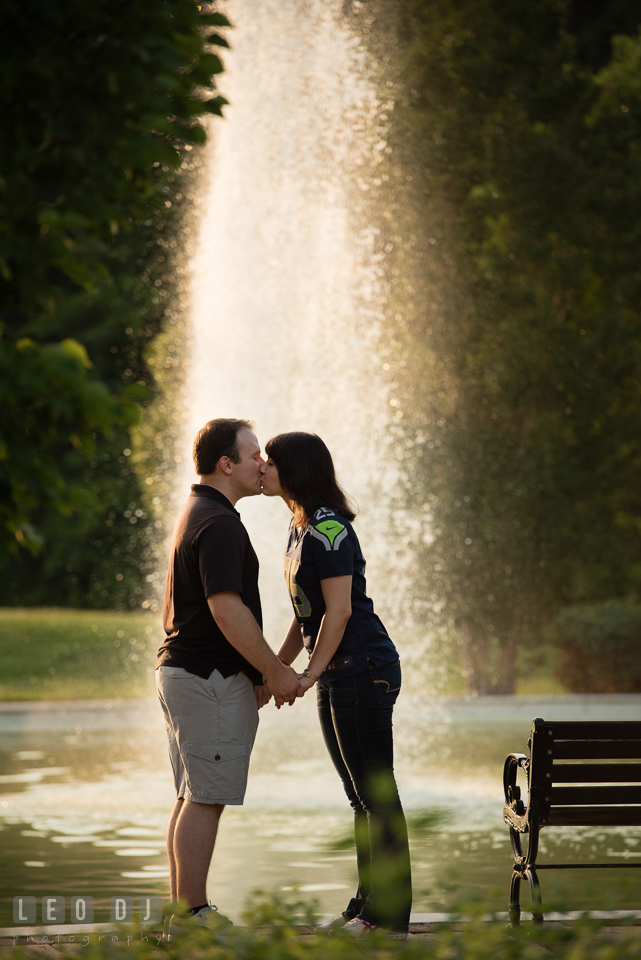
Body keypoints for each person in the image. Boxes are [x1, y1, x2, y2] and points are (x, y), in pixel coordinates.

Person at [261, 431, 412, 939]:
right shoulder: (298, 526)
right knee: (359, 797)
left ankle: (387, 918)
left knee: (376, 796)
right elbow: (306, 616)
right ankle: (366, 906)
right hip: (338, 668)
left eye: (271, 460)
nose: (261, 466)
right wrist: (273, 672)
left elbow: (341, 612)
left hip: (362, 667)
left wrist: (304, 676)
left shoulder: (328, 528)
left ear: (295, 469)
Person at [156, 418, 302, 938]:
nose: (262, 463)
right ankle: (193, 916)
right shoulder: (218, 523)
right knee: (204, 797)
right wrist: (274, 671)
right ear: (227, 464)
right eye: (254, 454)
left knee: (193, 793)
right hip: (207, 678)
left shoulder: (200, 511)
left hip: (188, 673)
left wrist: (261, 675)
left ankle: (183, 915)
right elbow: (225, 610)